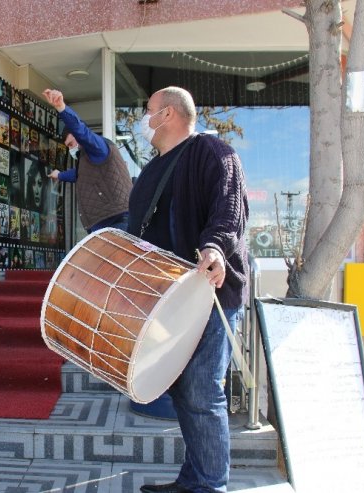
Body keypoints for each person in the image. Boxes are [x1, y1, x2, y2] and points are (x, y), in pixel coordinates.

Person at [132, 87, 249, 493]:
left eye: (146, 112)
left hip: (211, 293)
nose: (141, 121)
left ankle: (212, 485)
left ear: (167, 115)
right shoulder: (151, 171)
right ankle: (194, 479)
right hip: (170, 300)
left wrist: (215, 248)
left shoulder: (214, 153)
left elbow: (229, 211)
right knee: (183, 392)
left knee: (202, 391)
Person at [42, 88, 132, 233]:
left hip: (115, 221)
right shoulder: (87, 159)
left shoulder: (99, 147)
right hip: (106, 222)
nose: (71, 149)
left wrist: (62, 108)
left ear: (78, 137)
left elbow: (80, 130)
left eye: (71, 144)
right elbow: (79, 174)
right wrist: (59, 175)